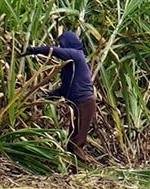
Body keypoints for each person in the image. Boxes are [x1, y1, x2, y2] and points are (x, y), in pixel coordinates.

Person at [21, 26, 100, 162]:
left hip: (84, 103)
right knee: (73, 138)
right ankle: (74, 167)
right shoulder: (70, 67)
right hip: (78, 103)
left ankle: (81, 169)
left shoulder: (77, 55)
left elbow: (54, 51)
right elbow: (64, 90)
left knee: (77, 140)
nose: (60, 47)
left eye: (62, 44)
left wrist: (34, 50)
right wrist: (43, 96)